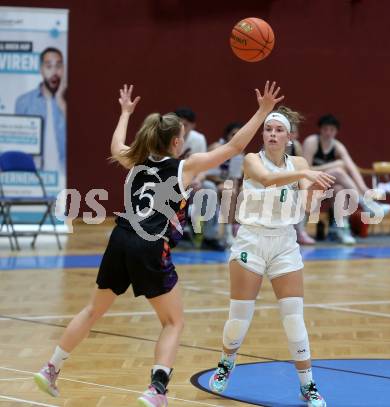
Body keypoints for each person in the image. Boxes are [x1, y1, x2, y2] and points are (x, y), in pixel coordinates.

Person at [33, 81, 284, 407]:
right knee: (173, 322)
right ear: (178, 142)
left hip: (119, 239)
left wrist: (124, 113)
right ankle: (156, 390)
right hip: (150, 244)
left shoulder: (135, 160)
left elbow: (115, 147)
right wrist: (263, 110)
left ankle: (51, 367)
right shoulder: (185, 167)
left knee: (93, 309)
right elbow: (235, 147)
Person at [209, 108, 335, 407]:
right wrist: (305, 174)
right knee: (239, 317)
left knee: (293, 319)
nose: (273, 134)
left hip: (284, 243)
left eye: (279, 130)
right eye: (269, 130)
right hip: (251, 241)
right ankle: (226, 364)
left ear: (290, 137)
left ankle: (308, 385)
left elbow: (306, 206)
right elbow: (266, 180)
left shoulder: (299, 163)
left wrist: (315, 191)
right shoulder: (252, 160)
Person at [302, 114, 390, 244]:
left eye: (331, 130)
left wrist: (364, 187)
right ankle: (368, 204)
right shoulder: (311, 142)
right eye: (325, 129)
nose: (328, 133)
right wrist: (334, 164)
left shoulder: (337, 146)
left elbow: (352, 168)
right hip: (309, 186)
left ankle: (342, 230)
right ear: (320, 129)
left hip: (326, 187)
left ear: (336, 132)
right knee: (338, 170)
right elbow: (306, 170)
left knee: (340, 189)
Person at [174, 107, 225, 250]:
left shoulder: (198, 139)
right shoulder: (167, 137)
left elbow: (203, 168)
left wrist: (198, 180)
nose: (182, 127)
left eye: (186, 124)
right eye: (179, 123)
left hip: (191, 181)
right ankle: (178, 231)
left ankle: (209, 237)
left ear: (193, 125)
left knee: (210, 188)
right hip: (171, 180)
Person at [15, 47, 66, 176]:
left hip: (65, 176)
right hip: (35, 176)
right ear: (41, 69)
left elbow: (82, 140)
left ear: (64, 69)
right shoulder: (24, 102)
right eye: (49, 66)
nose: (54, 72)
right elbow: (17, 144)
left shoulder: (70, 101)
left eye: (58, 66)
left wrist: (61, 102)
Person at [279, 106, 316, 245]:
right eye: (289, 132)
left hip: (292, 181)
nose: (291, 135)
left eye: (294, 132)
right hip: (274, 182)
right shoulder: (271, 146)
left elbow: (303, 168)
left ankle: (300, 231)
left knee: (306, 191)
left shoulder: (296, 146)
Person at [206, 122, 244, 246]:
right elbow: (206, 172)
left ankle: (231, 232)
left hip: (224, 183)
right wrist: (223, 183)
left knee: (235, 193)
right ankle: (226, 234)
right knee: (228, 191)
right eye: (233, 134)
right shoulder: (216, 147)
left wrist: (236, 190)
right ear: (227, 136)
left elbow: (235, 178)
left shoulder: (239, 154)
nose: (236, 136)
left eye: (240, 134)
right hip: (207, 181)